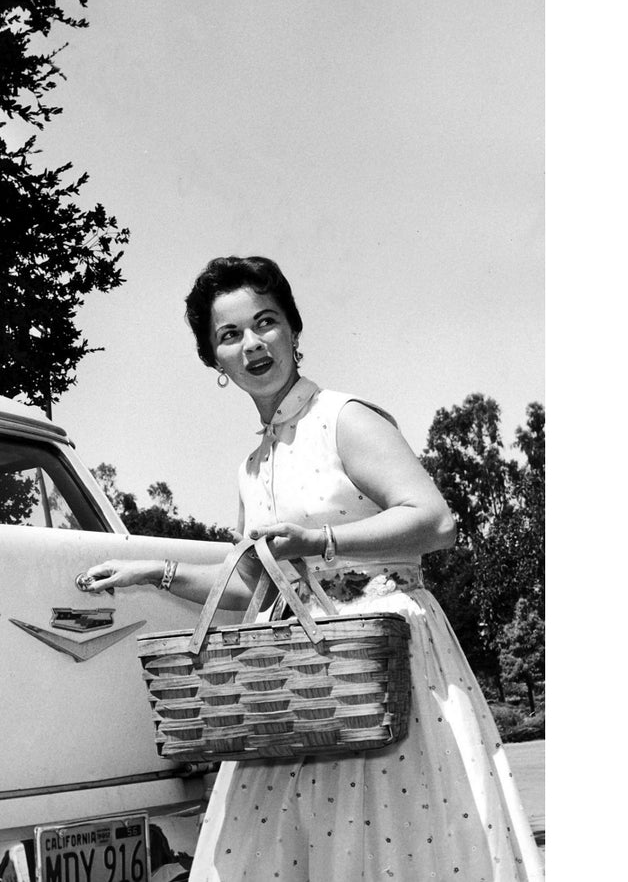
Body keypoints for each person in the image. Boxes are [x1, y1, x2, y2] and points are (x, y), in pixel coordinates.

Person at [82, 256, 544, 881]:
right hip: (304, 686)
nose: (252, 345)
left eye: (265, 322)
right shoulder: (252, 466)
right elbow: (254, 584)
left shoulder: (344, 418)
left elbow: (435, 521)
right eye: (229, 336)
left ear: (294, 330)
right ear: (213, 361)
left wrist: (319, 540)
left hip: (382, 669)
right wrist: (154, 572)